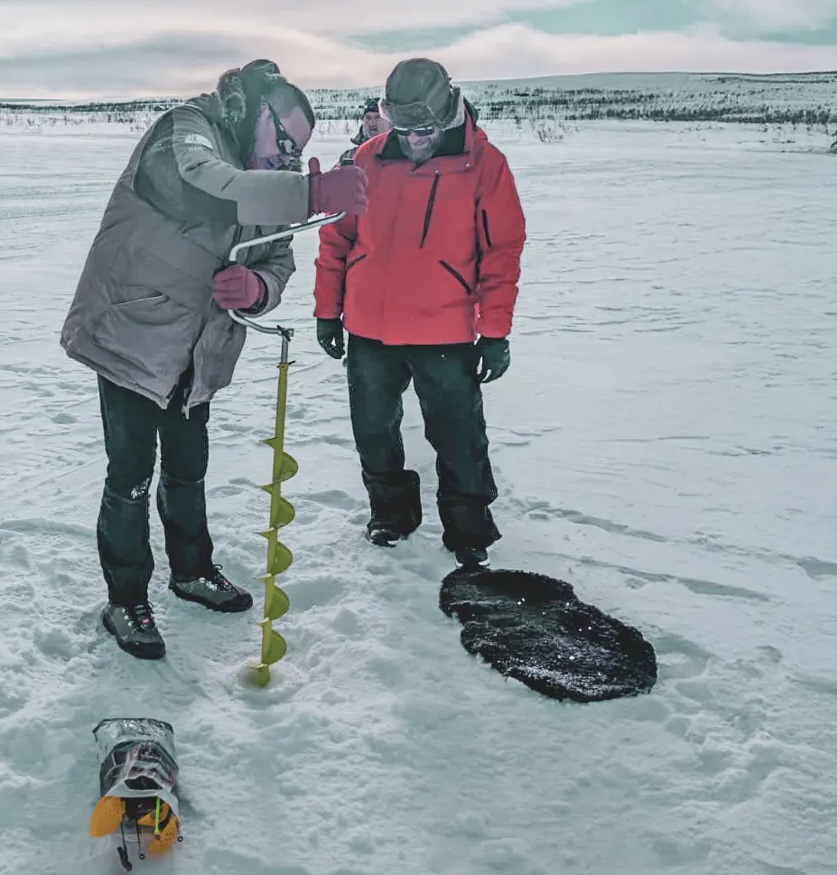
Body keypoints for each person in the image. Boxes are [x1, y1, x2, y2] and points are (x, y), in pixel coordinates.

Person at [63, 60, 369, 659]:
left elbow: (277, 260)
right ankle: (125, 600)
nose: (283, 159)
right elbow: (200, 183)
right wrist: (307, 191)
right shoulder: (187, 129)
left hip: (199, 349)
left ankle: (191, 570)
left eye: (296, 154)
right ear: (255, 110)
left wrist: (257, 289)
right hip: (133, 331)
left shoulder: (266, 173)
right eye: (281, 142)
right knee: (129, 476)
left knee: (188, 467)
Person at [312, 57, 526, 569]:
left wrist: (493, 331)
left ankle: (468, 528)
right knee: (373, 430)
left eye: (424, 130)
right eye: (403, 130)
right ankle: (391, 514)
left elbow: (502, 253)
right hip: (369, 328)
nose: (413, 141)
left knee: (458, 435)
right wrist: (328, 310)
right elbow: (335, 238)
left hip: (445, 330)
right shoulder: (365, 159)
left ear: (448, 110)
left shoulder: (485, 165)